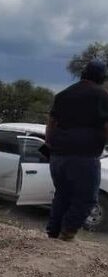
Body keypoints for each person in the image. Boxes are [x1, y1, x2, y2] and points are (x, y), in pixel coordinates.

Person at [44, 60, 108, 241]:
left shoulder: (63, 95)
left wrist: (50, 143)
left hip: (57, 156)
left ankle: (53, 234)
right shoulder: (102, 96)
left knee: (62, 195)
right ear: (102, 78)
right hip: (84, 156)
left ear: (82, 74)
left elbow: (51, 121)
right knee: (87, 198)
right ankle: (67, 234)